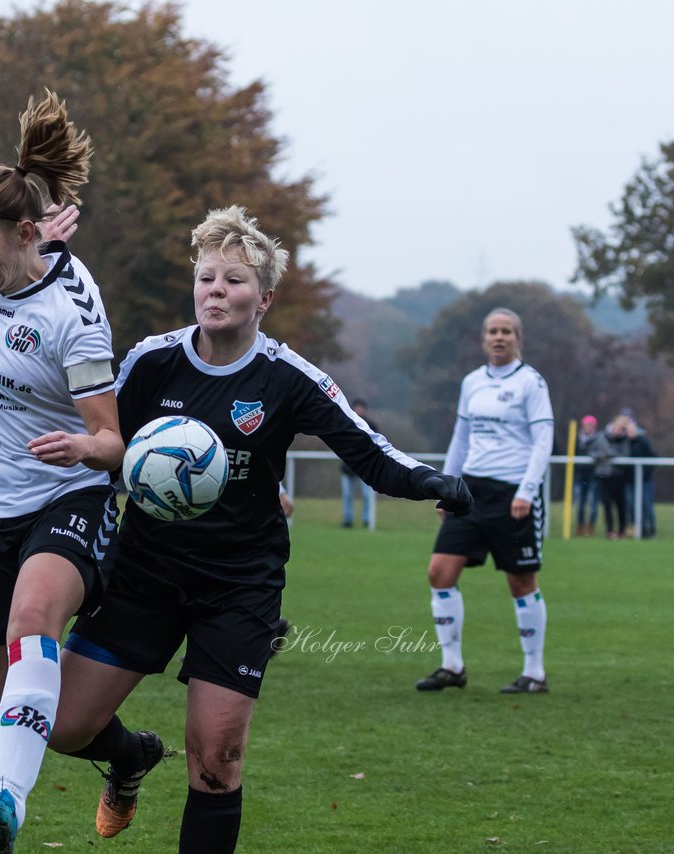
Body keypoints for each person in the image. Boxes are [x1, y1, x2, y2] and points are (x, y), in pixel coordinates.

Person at [44, 206, 471, 853]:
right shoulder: (153, 362)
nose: (216, 290)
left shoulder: (287, 377)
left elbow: (368, 449)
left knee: (216, 761)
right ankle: (131, 758)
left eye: (235, 280)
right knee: (62, 724)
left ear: (264, 298)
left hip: (238, 586)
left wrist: (433, 481)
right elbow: (106, 443)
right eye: (207, 278)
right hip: (142, 573)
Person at [0, 90, 126, 854]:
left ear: (20, 235)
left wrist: (85, 447)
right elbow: (12, 239)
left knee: (29, 622)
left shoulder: (74, 319)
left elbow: (113, 440)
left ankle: (7, 799)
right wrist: (26, 232)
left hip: (63, 494)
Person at [416, 308, 555, 695]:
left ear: (518, 338)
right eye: (493, 331)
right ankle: (452, 666)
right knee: (440, 572)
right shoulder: (473, 382)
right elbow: (461, 438)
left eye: (507, 331)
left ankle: (534, 672)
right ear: (483, 338)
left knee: (521, 580)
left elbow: (543, 440)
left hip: (513, 494)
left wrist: (527, 490)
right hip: (472, 492)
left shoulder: (531, 383)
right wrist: (446, 487)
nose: (499, 337)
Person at [339, 398, 378, 527]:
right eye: (357, 407)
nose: (359, 410)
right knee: (347, 495)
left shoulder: (371, 426)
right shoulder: (346, 423)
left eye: (361, 407)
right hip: (349, 466)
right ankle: (347, 520)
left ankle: (367, 520)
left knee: (367, 495)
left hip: (366, 467)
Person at [599, 414, 632, 540]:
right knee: (607, 505)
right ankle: (610, 531)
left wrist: (608, 454)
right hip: (605, 476)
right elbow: (595, 451)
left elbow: (625, 454)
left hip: (619, 476)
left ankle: (622, 531)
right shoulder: (603, 437)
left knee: (620, 505)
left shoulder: (624, 441)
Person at [574, 415, 604, 536]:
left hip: (593, 476)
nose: (589, 427)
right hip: (580, 476)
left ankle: (590, 528)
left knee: (592, 503)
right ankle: (580, 527)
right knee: (580, 503)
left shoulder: (599, 439)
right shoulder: (577, 439)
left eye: (591, 425)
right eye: (587, 425)